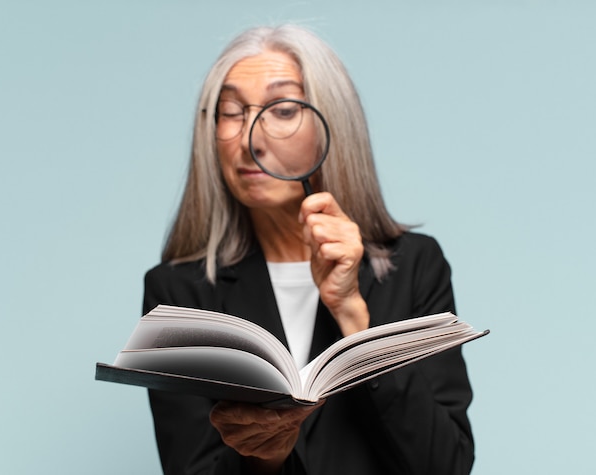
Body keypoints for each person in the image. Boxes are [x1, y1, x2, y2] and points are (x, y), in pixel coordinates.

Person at [143, 24, 475, 474]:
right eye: (230, 111)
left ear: (330, 127)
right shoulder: (178, 292)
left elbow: (445, 466)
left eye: (281, 110)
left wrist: (354, 314)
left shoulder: (416, 266)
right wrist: (267, 457)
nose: (249, 139)